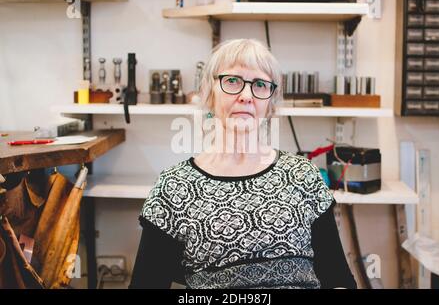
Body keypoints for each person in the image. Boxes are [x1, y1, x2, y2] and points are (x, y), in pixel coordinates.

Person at [129, 39, 356, 289]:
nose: (246, 96)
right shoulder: (175, 187)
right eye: (232, 81)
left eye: (260, 84)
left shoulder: (303, 176)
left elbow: (338, 279)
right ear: (208, 92)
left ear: (270, 103)